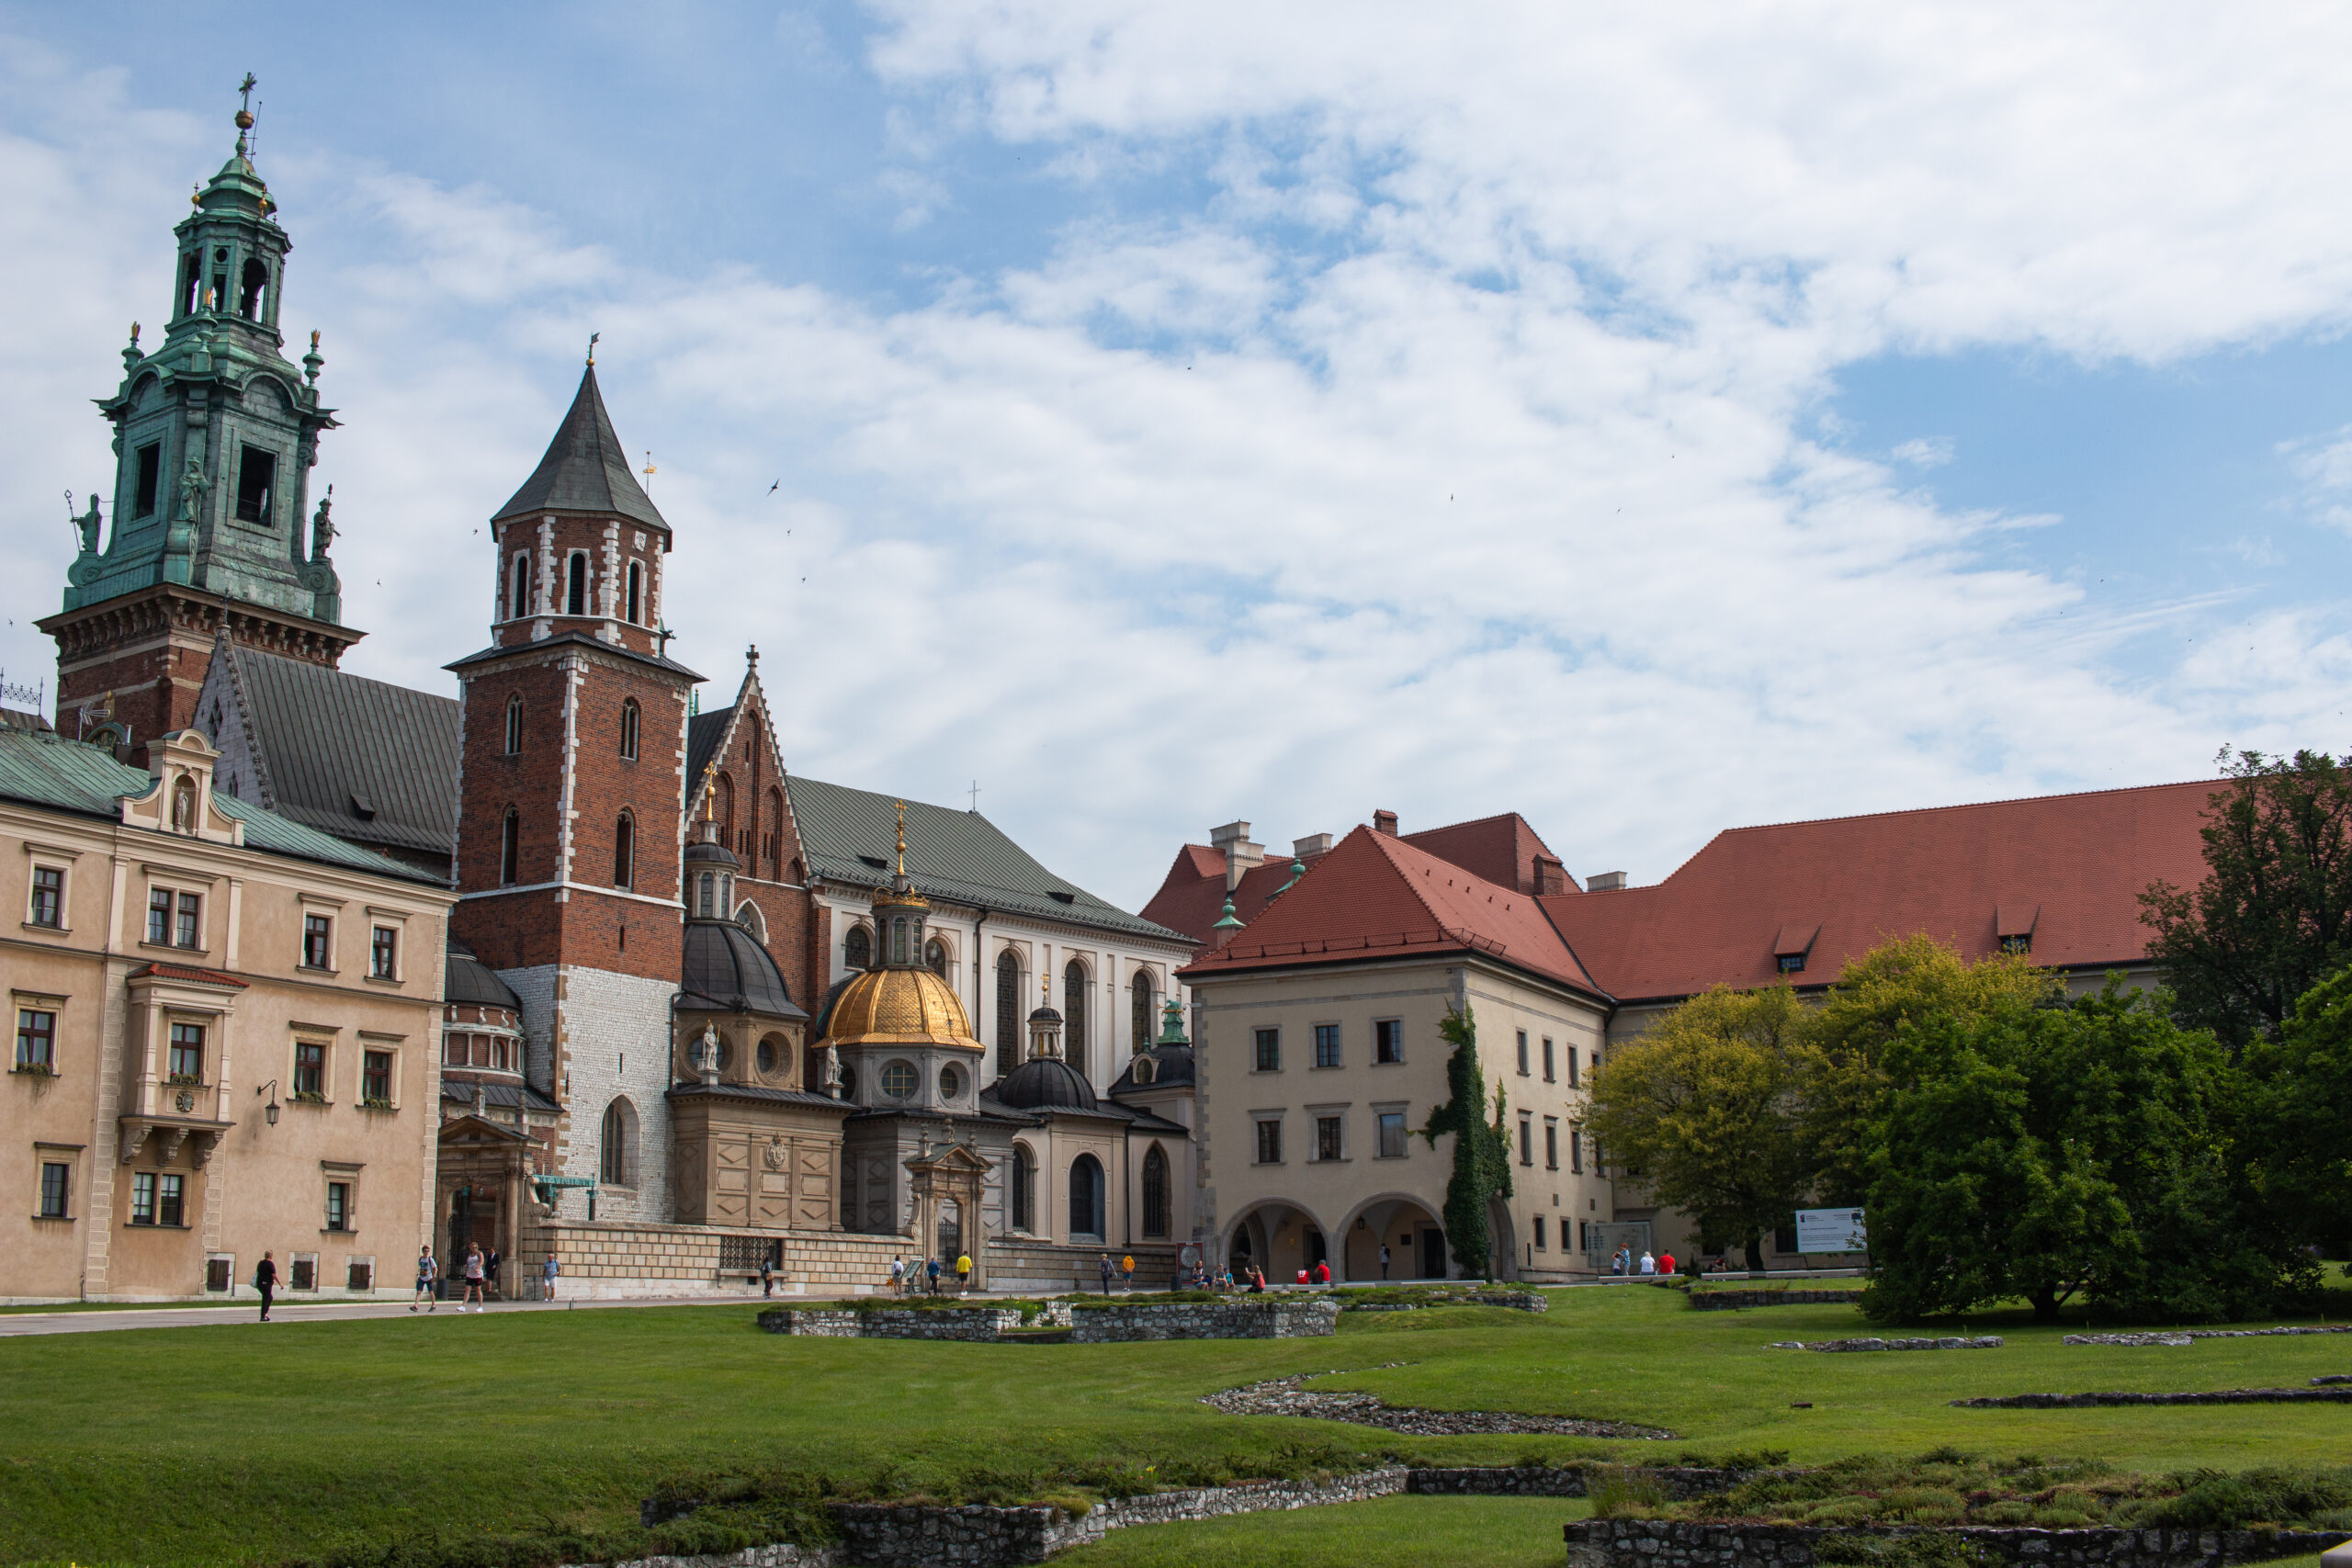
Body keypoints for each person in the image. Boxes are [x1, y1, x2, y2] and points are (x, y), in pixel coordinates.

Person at [254, 1251, 278, 1323]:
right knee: (265, 1299)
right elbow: (274, 1275)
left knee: (269, 1298)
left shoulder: (260, 1263)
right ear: (270, 1256)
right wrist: (280, 1283)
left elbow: (258, 1272)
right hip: (267, 1283)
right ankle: (263, 1316)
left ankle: (265, 1314)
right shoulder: (270, 1264)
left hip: (260, 1284)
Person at [413, 1247, 438, 1312]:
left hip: (429, 1278)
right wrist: (418, 1274)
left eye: (428, 1251)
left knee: (431, 1292)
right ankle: (416, 1306)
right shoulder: (421, 1259)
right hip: (421, 1277)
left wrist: (434, 1276)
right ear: (423, 1252)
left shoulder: (430, 1259)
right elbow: (420, 1267)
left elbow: (435, 1268)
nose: (426, 1252)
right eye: (425, 1251)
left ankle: (433, 1305)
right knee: (419, 1292)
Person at [461, 1244, 487, 1311]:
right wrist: (466, 1266)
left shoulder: (479, 1254)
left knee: (478, 1289)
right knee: (467, 1289)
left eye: (475, 1247)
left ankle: (480, 1306)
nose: (474, 1249)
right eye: (473, 1247)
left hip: (477, 1274)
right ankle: (463, 1306)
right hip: (470, 1274)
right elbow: (469, 1263)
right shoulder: (470, 1255)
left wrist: (477, 1268)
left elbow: (482, 1262)